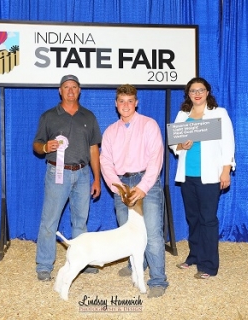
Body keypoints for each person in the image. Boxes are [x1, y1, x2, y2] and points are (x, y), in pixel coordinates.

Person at [100, 84, 169, 298]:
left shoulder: (149, 124)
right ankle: (136, 265)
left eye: (130, 101)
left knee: (153, 233)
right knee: (127, 231)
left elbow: (156, 158)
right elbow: (105, 161)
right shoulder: (111, 131)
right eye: (122, 101)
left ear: (136, 102)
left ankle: (158, 280)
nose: (126, 105)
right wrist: (117, 186)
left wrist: (143, 187)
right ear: (116, 104)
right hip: (121, 183)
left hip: (145, 181)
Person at [33, 74, 102, 281]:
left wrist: (96, 178)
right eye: (66, 87)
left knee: (80, 221)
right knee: (49, 220)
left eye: (74, 87)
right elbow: (36, 144)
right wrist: (45, 147)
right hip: (57, 172)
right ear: (60, 91)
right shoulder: (49, 116)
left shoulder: (88, 117)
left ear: (79, 90)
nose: (70, 90)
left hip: (82, 173)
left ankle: (82, 261)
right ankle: (44, 265)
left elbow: (94, 150)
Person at [170, 77, 236, 279]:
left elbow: (229, 143)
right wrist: (181, 146)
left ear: (207, 92)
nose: (197, 93)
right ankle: (195, 256)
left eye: (201, 90)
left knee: (208, 219)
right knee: (193, 218)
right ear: (188, 94)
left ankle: (208, 266)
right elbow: (174, 144)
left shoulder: (219, 113)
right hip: (187, 175)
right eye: (192, 91)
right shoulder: (182, 115)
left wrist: (226, 170)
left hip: (210, 176)